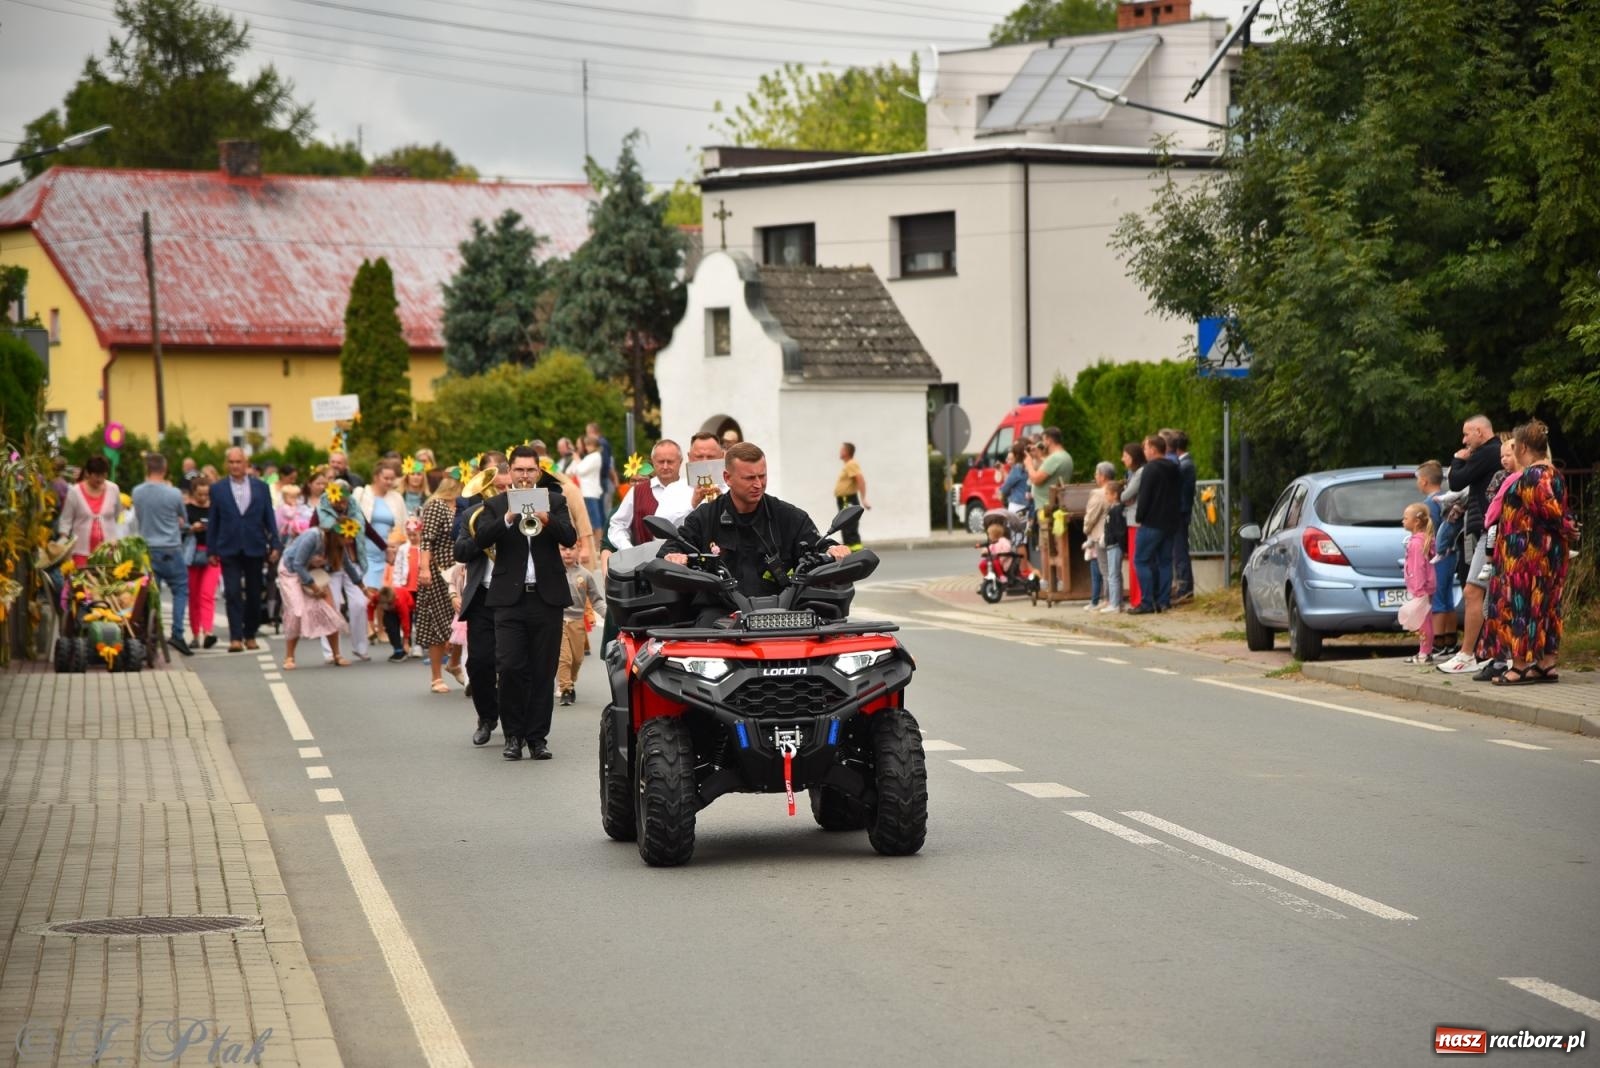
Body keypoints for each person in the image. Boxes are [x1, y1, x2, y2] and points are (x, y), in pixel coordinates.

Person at [468, 445, 577, 760]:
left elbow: (569, 537)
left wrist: (545, 518)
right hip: (508, 599)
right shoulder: (495, 504)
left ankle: (537, 738)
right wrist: (507, 518)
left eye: (531, 470)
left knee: (543, 671)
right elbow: (481, 539)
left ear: (538, 472)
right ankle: (513, 735)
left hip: (546, 597)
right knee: (512, 668)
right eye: (519, 470)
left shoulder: (555, 501)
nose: (525, 476)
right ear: (509, 472)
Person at [669, 443, 850, 613]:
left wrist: (833, 549)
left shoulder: (788, 515)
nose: (758, 484)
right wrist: (675, 556)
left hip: (782, 612)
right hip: (721, 613)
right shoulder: (705, 517)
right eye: (749, 478)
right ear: (727, 478)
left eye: (762, 476)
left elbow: (817, 545)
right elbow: (673, 547)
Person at [1483, 420, 1578, 686]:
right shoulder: (1553, 473)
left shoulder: (1534, 475)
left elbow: (1549, 510)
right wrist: (1568, 527)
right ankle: (1546, 664)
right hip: (1546, 552)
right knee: (1545, 605)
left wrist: (1565, 526)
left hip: (1527, 555)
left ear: (1523, 446)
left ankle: (1521, 666)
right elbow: (1560, 512)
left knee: (1521, 605)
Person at [454, 456, 512, 746]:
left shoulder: (521, 514)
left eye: (506, 487)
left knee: (512, 663)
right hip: (483, 596)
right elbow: (460, 552)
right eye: (496, 488)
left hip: (512, 596)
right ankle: (487, 717)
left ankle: (515, 719)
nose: (500, 493)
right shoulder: (473, 515)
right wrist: (484, 537)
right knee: (479, 663)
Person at [1437, 415, 1500, 674]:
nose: (1464, 440)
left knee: (1473, 591)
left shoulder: (1487, 452)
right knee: (1484, 593)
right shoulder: (1492, 452)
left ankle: (1468, 653)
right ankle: (1487, 651)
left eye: (1466, 434)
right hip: (1483, 530)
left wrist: (1457, 459)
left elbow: (1456, 481)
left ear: (1479, 431)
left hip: (1489, 531)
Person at [208, 447, 281, 652]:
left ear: (246, 463)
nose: (234, 466)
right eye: (231, 462)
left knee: (255, 593)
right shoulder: (218, 489)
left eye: (238, 462)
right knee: (231, 592)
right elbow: (214, 520)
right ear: (226, 464)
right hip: (228, 546)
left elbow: (269, 518)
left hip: (254, 545)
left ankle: (250, 634)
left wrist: (275, 543)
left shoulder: (260, 487)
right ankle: (235, 637)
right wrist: (211, 550)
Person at [130, 452, 193, 656]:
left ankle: (149, 635)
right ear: (164, 469)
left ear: (146, 469)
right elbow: (183, 518)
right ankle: (177, 633)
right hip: (171, 549)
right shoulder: (174, 493)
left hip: (147, 549)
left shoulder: (137, 492)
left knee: (148, 594)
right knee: (180, 590)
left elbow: (138, 517)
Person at [277, 519, 357, 669]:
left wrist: (363, 588)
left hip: (313, 574)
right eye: (349, 537)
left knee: (329, 610)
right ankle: (289, 657)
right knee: (296, 611)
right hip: (291, 571)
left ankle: (336, 655)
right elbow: (297, 565)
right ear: (338, 535)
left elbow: (349, 566)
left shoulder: (337, 546)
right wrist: (314, 588)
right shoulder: (313, 536)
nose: (351, 541)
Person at [417, 474, 467, 695]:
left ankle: (455, 661)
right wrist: (424, 568)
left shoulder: (464, 503)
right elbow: (427, 538)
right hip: (440, 571)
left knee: (461, 620)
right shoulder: (437, 505)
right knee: (438, 622)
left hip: (461, 569)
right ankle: (436, 677)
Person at [355, 460, 407, 641]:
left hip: (388, 550)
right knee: (368, 590)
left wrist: (399, 543)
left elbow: (403, 524)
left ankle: (381, 628)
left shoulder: (396, 498)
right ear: (376, 477)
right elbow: (355, 521)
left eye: (392, 478)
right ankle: (369, 627)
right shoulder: (362, 493)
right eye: (385, 478)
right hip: (366, 549)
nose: (389, 482)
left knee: (383, 592)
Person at [1130, 435, 1182, 615]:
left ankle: (1146, 602)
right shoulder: (1174, 468)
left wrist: (1139, 516)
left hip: (1152, 521)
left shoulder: (1150, 469)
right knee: (1165, 561)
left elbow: (1144, 497)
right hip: (1170, 522)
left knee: (1141, 560)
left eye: (1145, 448)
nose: (1144, 452)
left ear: (1153, 449)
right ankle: (1163, 602)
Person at [609, 439, 692, 550]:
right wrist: (628, 549)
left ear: (680, 461)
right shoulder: (637, 491)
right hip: (645, 562)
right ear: (653, 462)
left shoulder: (691, 490)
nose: (665, 466)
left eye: (670, 461)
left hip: (686, 560)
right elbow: (618, 524)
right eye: (661, 462)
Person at [1415, 460, 1459, 660]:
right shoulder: (1446, 499)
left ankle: (1437, 643)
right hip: (1451, 554)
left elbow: (1429, 533)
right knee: (1448, 597)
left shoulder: (1429, 505)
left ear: (1424, 481)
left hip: (1437, 557)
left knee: (1438, 600)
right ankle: (1451, 641)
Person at [557, 542, 605, 706]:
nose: (568, 553)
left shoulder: (585, 575)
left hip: (577, 621)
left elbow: (597, 600)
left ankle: (570, 679)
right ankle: (566, 689)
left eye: (571, 549)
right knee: (565, 658)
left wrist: (610, 616)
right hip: (558, 620)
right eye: (563, 549)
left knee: (577, 659)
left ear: (578, 551)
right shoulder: (552, 571)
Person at [58, 455, 126, 567]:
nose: (100, 479)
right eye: (97, 475)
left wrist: (116, 537)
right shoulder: (75, 492)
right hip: (81, 552)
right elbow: (66, 519)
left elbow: (118, 515)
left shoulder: (113, 489)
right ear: (87, 473)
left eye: (103, 475)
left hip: (108, 551)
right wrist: (63, 538)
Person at [1400, 502, 1437, 664]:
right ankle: (1425, 651)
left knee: (1423, 621)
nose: (1402, 520)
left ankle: (1424, 653)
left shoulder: (1416, 543)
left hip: (1421, 587)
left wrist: (1418, 588)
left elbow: (1418, 567)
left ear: (1416, 522)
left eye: (1405, 518)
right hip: (1425, 586)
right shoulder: (1423, 540)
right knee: (1425, 619)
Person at [378, 520, 421, 662]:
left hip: (421, 586)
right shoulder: (404, 549)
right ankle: (406, 642)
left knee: (420, 616)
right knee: (406, 616)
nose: (412, 537)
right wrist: (397, 586)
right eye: (410, 535)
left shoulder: (425, 547)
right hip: (406, 587)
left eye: (415, 534)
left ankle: (419, 644)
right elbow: (397, 568)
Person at [185, 478, 221, 648]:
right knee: (193, 596)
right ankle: (195, 634)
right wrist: (191, 528)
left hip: (212, 554)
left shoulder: (215, 509)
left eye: (206, 494)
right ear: (193, 493)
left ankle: (208, 631)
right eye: (199, 494)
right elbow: (180, 529)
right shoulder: (187, 509)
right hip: (192, 554)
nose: (203, 497)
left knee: (207, 594)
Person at [1164, 429, 1197, 604]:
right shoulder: (1184, 464)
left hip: (1180, 512)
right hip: (1180, 511)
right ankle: (1183, 587)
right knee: (1178, 551)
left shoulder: (1184, 465)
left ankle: (1185, 588)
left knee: (1179, 551)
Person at [1081, 461, 1112, 611]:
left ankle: (1108, 600)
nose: (1095, 476)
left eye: (1096, 473)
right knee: (1112, 569)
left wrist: (1086, 529)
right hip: (1113, 534)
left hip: (1099, 535)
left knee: (1104, 569)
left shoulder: (1099, 494)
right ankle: (1110, 599)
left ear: (1103, 476)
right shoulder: (1116, 490)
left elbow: (1091, 516)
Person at [1119, 442, 1147, 610]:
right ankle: (1136, 598)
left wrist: (1124, 494)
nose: (1123, 459)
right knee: (1134, 561)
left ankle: (1138, 598)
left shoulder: (1140, 473)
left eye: (1126, 456)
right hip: (1132, 519)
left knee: (1136, 561)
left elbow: (1125, 495)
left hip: (1135, 521)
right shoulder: (1133, 473)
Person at [833, 443, 870, 550]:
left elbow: (860, 480)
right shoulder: (848, 465)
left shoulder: (851, 464)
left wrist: (864, 499)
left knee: (849, 526)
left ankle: (855, 553)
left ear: (846, 452)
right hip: (845, 499)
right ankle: (849, 552)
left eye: (841, 450)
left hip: (847, 500)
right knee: (845, 526)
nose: (839, 452)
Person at [569, 434, 605, 534]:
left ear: (593, 445)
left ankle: (598, 545)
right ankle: (595, 544)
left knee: (595, 522)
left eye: (588, 445)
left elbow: (580, 470)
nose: (586, 447)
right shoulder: (591, 456)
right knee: (591, 521)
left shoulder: (595, 456)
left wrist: (576, 459)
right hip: (586, 492)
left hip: (590, 492)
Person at [1101, 478, 1127, 614]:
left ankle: (1115, 603)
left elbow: (1119, 530)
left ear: (1114, 495)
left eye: (1107, 493)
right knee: (1115, 574)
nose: (1105, 496)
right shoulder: (1113, 509)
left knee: (1113, 575)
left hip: (1114, 545)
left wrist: (1121, 545)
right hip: (1112, 545)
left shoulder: (1116, 511)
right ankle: (1118, 602)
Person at [586, 421, 617, 518]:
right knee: (601, 508)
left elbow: (605, 464)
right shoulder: (603, 443)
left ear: (592, 431)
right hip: (602, 479)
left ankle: (603, 532)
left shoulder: (601, 444)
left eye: (587, 432)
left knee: (601, 509)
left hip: (600, 479)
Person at [999, 444, 1030, 516]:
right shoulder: (1029, 465)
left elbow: (1007, 486)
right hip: (1028, 504)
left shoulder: (1018, 468)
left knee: (1014, 526)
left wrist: (1001, 492)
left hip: (1017, 504)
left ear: (1016, 455)